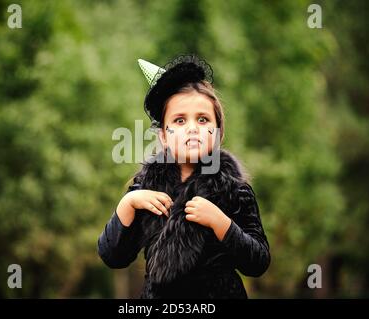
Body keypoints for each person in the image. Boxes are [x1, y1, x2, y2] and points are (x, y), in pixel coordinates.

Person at [98, 54, 270, 298]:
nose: (192, 128)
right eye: (179, 120)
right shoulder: (145, 191)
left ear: (217, 133)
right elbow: (113, 256)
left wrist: (220, 222)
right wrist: (129, 203)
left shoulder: (234, 189)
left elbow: (258, 262)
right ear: (164, 136)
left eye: (203, 119)